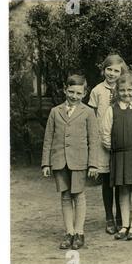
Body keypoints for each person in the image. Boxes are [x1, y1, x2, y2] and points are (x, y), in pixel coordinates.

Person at [42, 74, 99, 250]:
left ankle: (79, 232)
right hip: (59, 161)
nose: (74, 96)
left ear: (84, 93)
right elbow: (48, 138)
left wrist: (93, 164)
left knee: (79, 195)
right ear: (65, 90)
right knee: (65, 196)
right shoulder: (55, 111)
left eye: (79, 93)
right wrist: (46, 163)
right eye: (71, 92)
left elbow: (94, 140)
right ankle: (69, 232)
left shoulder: (88, 112)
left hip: (79, 161)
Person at [102, 72, 132, 241]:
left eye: (130, 90)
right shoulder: (111, 110)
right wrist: (118, 149)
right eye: (122, 90)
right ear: (117, 92)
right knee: (123, 191)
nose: (126, 94)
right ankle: (124, 225)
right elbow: (105, 135)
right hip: (120, 155)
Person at [88, 54, 128, 235]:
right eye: (109, 69)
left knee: (120, 180)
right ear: (103, 70)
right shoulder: (97, 91)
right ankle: (109, 217)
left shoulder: (124, 89)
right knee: (107, 182)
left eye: (116, 71)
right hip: (102, 141)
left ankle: (121, 216)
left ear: (122, 72)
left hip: (120, 141)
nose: (112, 74)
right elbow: (92, 118)